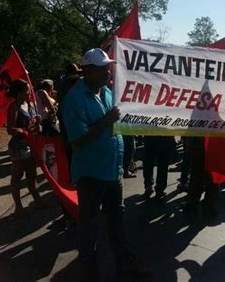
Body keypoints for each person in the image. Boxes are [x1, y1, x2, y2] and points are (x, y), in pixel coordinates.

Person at [62, 48, 147, 280]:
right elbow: (78, 141)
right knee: (89, 226)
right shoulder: (74, 100)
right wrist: (105, 122)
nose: (108, 72)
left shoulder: (107, 92)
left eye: (108, 67)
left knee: (117, 220)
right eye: (103, 68)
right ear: (87, 71)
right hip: (91, 174)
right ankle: (91, 272)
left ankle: (124, 263)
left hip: (113, 170)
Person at [6, 79, 45, 217]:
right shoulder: (14, 107)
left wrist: (38, 121)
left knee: (31, 175)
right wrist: (22, 131)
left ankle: (37, 200)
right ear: (19, 93)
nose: (29, 93)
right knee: (17, 177)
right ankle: (18, 207)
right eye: (27, 91)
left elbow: (33, 124)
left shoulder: (29, 105)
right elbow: (10, 129)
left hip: (31, 145)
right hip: (19, 147)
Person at [182, 137, 219, 217]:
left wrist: (189, 143)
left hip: (203, 146)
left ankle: (193, 203)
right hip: (212, 145)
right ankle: (209, 205)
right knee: (209, 177)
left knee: (198, 175)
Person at [143, 136, 176, 201]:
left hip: (150, 135)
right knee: (163, 163)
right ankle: (160, 189)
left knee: (148, 161)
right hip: (164, 135)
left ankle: (148, 185)